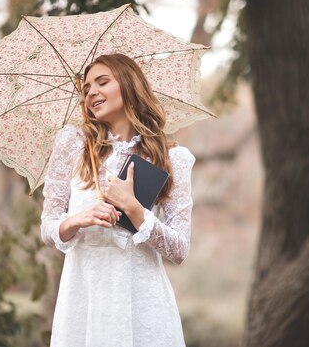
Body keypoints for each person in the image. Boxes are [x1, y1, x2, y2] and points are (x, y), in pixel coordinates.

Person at [40, 53, 196, 347]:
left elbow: (179, 250)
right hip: (83, 298)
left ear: (129, 85)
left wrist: (135, 211)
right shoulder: (72, 146)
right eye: (87, 89)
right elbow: (48, 227)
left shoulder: (170, 159)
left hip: (140, 301)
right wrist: (78, 219)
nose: (92, 93)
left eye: (102, 82)